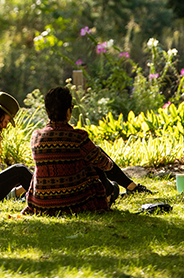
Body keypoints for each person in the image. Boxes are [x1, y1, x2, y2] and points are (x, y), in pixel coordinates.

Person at [23, 86, 152, 216]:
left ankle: (131, 187)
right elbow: (104, 164)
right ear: (69, 111)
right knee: (113, 185)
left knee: (88, 154)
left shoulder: (36, 136)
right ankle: (129, 188)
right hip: (75, 201)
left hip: (43, 204)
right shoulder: (77, 137)